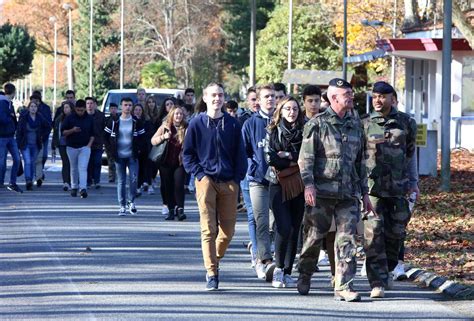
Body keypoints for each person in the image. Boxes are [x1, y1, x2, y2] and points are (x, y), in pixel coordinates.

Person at [297, 78, 372, 302]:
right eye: (345, 93)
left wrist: (365, 193)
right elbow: (306, 158)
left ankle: (343, 285)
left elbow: (362, 162)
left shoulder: (356, 124)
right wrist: (308, 185)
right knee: (313, 238)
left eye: (350, 93)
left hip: (348, 194)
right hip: (321, 192)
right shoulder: (317, 124)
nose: (350, 96)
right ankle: (305, 273)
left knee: (347, 239)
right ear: (333, 98)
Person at [183, 82, 247, 291]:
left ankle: (214, 258)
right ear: (205, 97)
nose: (217, 99)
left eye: (220, 95)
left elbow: (240, 153)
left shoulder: (233, 123)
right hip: (206, 180)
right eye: (213, 95)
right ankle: (211, 272)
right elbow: (188, 155)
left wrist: (237, 177)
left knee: (227, 231)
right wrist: (200, 175)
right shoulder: (196, 123)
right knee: (208, 229)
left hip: (229, 181)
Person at [362, 81, 417, 299]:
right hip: (373, 190)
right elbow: (357, 157)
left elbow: (411, 155)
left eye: (382, 96)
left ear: (392, 98)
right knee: (373, 236)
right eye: (374, 96)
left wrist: (414, 183)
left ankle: (387, 269)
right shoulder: (364, 123)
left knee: (396, 235)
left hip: (398, 189)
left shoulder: (406, 122)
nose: (377, 100)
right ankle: (377, 282)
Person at [264, 96, 305, 288]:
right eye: (288, 109)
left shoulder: (305, 131)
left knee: (296, 228)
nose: (291, 112)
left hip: (299, 184)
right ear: (281, 111)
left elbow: (308, 156)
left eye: (295, 109)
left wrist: (288, 155)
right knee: (284, 226)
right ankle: (278, 268)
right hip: (277, 184)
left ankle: (288, 271)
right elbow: (271, 159)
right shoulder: (272, 131)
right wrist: (293, 161)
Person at [242, 84, 276, 282]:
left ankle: (279, 261)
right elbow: (245, 150)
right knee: (260, 220)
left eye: (272, 96)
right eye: (266, 97)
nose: (270, 99)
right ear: (259, 100)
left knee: (277, 222)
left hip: (280, 180)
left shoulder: (282, 121)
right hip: (257, 179)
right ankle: (263, 260)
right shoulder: (250, 123)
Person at [104, 97, 146, 216]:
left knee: (133, 179)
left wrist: (138, 150)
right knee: (121, 181)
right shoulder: (114, 121)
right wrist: (111, 151)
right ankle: (122, 205)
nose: (127, 107)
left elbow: (143, 138)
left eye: (129, 105)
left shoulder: (136, 121)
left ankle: (131, 202)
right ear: (121, 106)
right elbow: (105, 137)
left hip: (132, 155)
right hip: (119, 156)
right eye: (125, 105)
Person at [151, 106, 188, 221]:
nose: (178, 116)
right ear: (172, 115)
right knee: (168, 186)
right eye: (176, 114)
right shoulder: (165, 127)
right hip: (165, 161)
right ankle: (171, 210)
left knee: (179, 185)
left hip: (180, 162)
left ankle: (180, 209)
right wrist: (164, 137)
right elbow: (153, 141)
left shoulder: (186, 127)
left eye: (181, 114)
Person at [62, 99, 95, 198]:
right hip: (71, 147)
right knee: (74, 168)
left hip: (85, 146)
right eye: (78, 110)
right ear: (75, 109)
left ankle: (83, 188)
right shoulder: (70, 118)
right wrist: (72, 130)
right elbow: (63, 132)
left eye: (82, 110)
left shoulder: (89, 119)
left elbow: (93, 134)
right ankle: (74, 187)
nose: (80, 112)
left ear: (85, 109)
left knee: (83, 167)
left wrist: (89, 145)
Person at [15, 101, 51, 190]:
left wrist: (43, 136)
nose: (33, 108)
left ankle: (30, 179)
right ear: (28, 108)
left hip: (36, 144)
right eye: (31, 106)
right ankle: (28, 181)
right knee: (27, 161)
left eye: (35, 106)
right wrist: (18, 143)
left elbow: (48, 126)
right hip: (25, 144)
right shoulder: (24, 118)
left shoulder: (40, 117)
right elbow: (19, 131)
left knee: (32, 162)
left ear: (37, 108)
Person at [0, 83, 23, 193]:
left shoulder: (10, 103)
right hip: (2, 136)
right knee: (2, 161)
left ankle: (12, 182)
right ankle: (1, 182)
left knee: (17, 159)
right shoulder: (3, 103)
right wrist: (11, 116)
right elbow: (3, 119)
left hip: (10, 135)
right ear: (13, 92)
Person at [29, 92, 52, 187]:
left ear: (39, 100)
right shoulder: (27, 109)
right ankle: (37, 176)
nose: (33, 103)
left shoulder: (45, 109)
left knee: (44, 156)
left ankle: (39, 173)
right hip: (30, 138)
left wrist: (44, 135)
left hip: (43, 137)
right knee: (34, 158)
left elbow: (48, 124)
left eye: (35, 101)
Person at [52, 101, 74, 191]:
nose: (65, 109)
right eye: (64, 107)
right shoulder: (59, 119)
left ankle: (73, 181)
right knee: (65, 163)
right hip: (62, 144)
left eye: (67, 107)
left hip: (73, 144)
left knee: (73, 164)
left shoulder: (75, 118)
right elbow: (55, 133)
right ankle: (66, 182)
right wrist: (53, 145)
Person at [132, 103, 153, 195]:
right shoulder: (131, 120)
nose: (137, 112)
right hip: (134, 148)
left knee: (146, 166)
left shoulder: (146, 121)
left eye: (139, 110)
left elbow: (149, 134)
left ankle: (147, 183)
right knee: (137, 168)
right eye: (136, 110)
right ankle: (138, 186)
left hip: (145, 147)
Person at [86, 97, 106, 189]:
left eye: (91, 103)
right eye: (88, 103)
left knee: (97, 162)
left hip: (98, 143)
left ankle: (97, 180)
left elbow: (104, 129)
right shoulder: (84, 115)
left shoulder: (101, 116)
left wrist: (104, 141)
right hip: (86, 143)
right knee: (88, 162)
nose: (89, 105)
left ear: (95, 105)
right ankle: (89, 180)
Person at [104, 103, 119, 183]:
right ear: (109, 109)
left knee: (118, 160)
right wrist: (106, 144)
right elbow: (105, 133)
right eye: (111, 108)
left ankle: (118, 175)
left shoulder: (119, 118)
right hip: (109, 143)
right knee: (110, 161)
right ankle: (111, 176)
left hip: (118, 143)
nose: (113, 110)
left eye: (114, 108)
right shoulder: (107, 119)